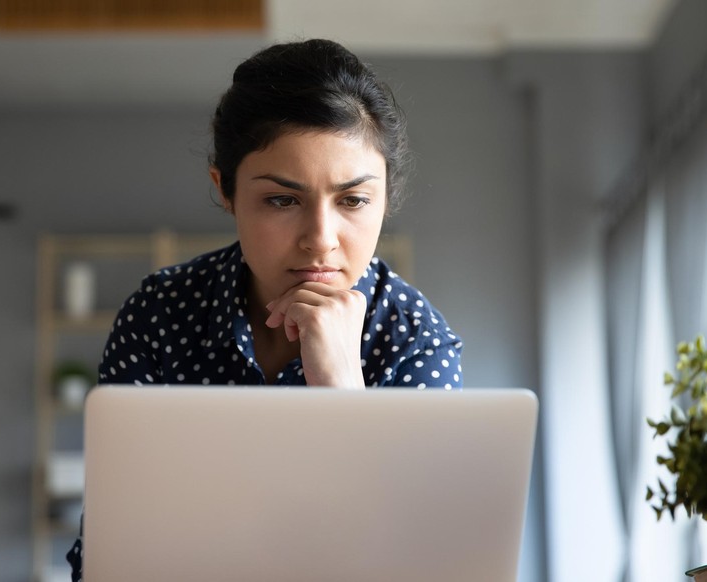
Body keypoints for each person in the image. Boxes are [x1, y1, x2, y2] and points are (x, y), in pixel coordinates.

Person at [67, 38, 462, 580]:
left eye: (353, 200)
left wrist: (342, 383)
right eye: (282, 200)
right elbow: (107, 549)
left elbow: (413, 561)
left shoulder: (414, 341)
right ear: (226, 191)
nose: (320, 240)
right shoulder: (160, 314)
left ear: (386, 197)